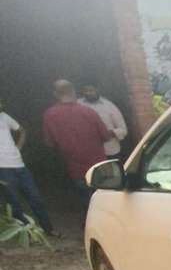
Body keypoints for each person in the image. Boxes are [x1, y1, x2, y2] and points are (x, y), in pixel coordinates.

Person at [43, 79, 110, 215]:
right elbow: (106, 136)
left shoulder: (50, 115)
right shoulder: (88, 112)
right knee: (107, 201)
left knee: (89, 205)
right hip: (100, 166)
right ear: (73, 91)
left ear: (55, 94)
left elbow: (50, 143)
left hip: (76, 170)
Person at [0, 96, 55, 234]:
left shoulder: (4, 116)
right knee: (14, 203)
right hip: (3, 168)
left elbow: (22, 130)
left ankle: (48, 229)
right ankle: (27, 234)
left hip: (19, 165)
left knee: (36, 198)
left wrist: (18, 147)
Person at [79, 83, 127, 158]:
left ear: (97, 89)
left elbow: (123, 130)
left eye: (91, 90)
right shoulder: (78, 104)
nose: (88, 93)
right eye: (85, 91)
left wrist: (109, 133)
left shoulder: (109, 106)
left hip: (110, 151)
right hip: (89, 152)